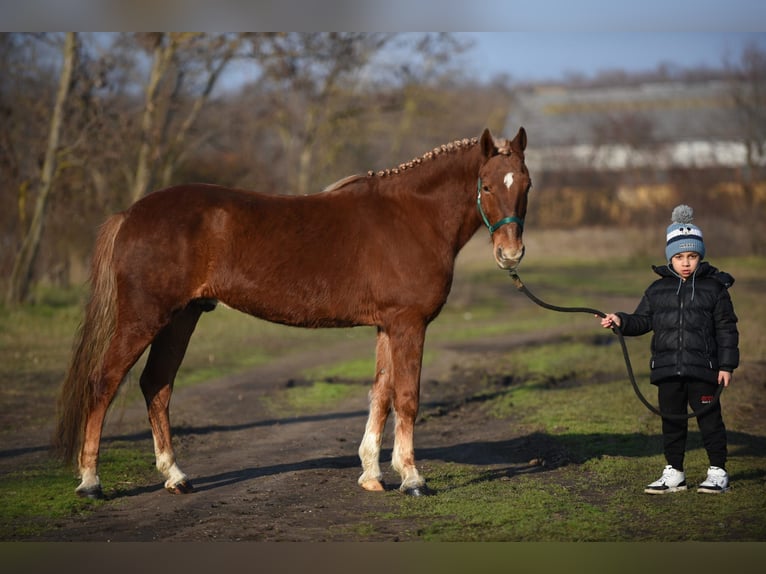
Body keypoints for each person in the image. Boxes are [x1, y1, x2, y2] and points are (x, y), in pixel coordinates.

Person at [599, 205, 739, 494]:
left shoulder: (715, 289)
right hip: (667, 371)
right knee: (672, 423)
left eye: (691, 256)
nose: (685, 262)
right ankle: (675, 472)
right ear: (670, 258)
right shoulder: (656, 290)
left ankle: (718, 471)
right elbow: (642, 321)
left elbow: (727, 329)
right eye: (679, 257)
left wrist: (727, 366)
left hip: (703, 370)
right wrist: (620, 320)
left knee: (710, 421)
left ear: (700, 256)